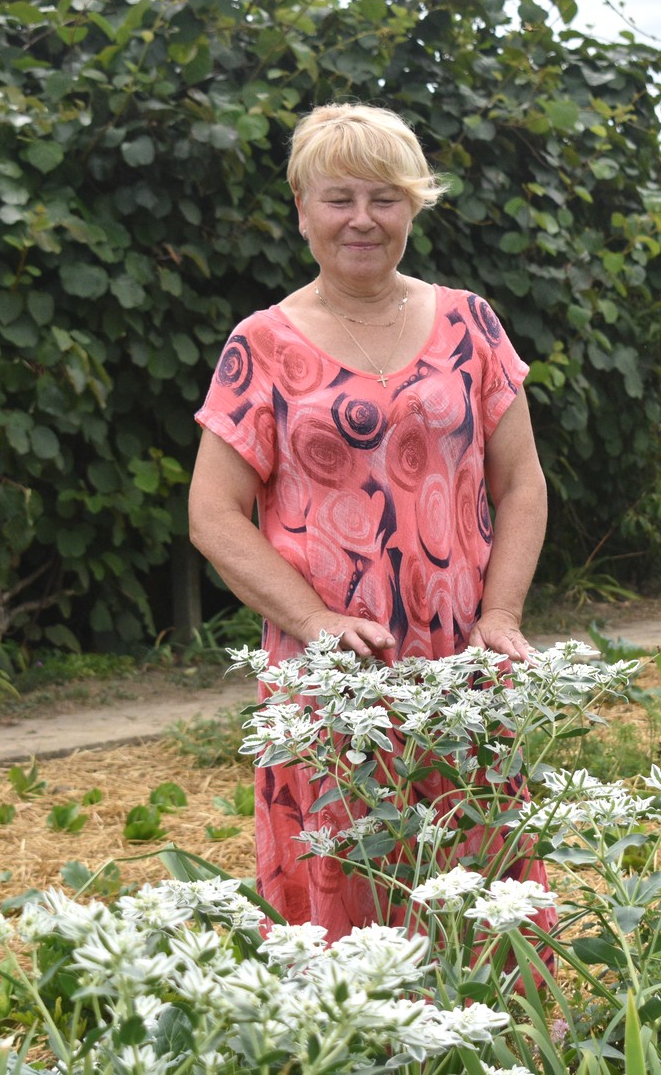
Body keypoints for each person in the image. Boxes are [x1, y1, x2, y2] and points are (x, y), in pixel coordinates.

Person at [189, 103, 554, 941]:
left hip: (462, 669)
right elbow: (213, 515)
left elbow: (523, 481)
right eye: (338, 197)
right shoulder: (261, 344)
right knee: (346, 878)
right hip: (333, 680)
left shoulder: (471, 324)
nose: (362, 219)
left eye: (384, 198)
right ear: (302, 210)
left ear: (414, 206)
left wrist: (500, 614)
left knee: (478, 878)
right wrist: (312, 620)